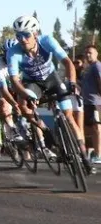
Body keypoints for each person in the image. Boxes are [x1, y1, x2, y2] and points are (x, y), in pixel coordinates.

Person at [6, 15, 91, 173]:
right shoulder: (13, 52)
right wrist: (27, 95)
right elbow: (14, 81)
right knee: (24, 105)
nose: (22, 39)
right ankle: (44, 130)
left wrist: (72, 83)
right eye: (18, 36)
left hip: (52, 79)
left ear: (35, 34)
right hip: (33, 83)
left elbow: (67, 63)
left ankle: (84, 156)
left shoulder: (47, 41)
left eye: (26, 35)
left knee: (69, 116)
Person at [81, 45, 101, 165]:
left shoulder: (97, 66)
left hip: (95, 102)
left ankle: (99, 154)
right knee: (91, 129)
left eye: (90, 53)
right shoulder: (89, 68)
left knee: (96, 128)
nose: (88, 55)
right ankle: (95, 152)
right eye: (86, 53)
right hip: (87, 102)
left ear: (96, 53)